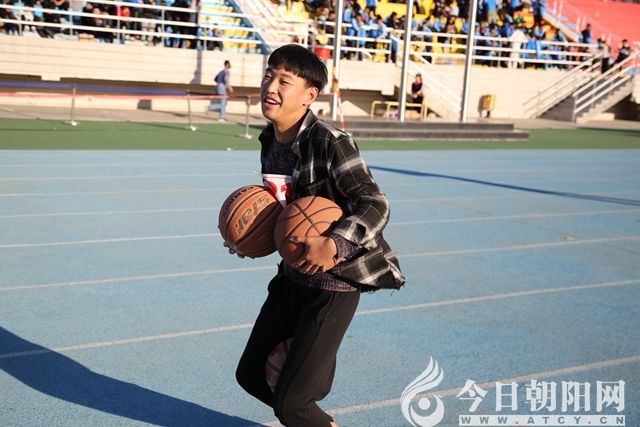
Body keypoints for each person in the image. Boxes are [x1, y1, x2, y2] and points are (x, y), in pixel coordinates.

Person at [233, 44, 405, 427]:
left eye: (284, 81)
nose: (270, 86)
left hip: (333, 286)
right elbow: (287, 213)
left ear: (309, 95)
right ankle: (307, 392)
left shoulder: (330, 141)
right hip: (292, 277)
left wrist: (337, 242)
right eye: (268, 75)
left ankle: (305, 399)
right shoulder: (269, 140)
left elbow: (375, 203)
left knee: (293, 405)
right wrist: (251, 237)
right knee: (252, 375)